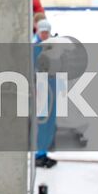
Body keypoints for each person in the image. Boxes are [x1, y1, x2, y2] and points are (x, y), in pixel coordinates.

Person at [33, 20, 58, 168]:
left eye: (46, 33)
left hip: (52, 86)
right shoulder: (35, 48)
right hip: (41, 87)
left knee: (50, 122)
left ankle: (44, 152)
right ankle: (39, 154)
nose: (44, 35)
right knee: (43, 122)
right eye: (42, 32)